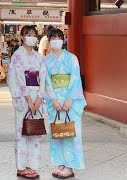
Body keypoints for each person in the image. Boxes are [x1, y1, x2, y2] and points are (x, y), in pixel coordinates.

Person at [44, 28, 87, 179]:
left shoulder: (72, 58)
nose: (56, 40)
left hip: (71, 101)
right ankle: (60, 163)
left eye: (59, 37)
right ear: (49, 40)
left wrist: (69, 100)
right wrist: (53, 100)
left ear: (63, 39)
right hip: (54, 102)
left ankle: (70, 166)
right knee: (57, 133)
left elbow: (75, 79)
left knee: (71, 134)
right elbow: (46, 81)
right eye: (53, 37)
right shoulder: (46, 60)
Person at [7, 25, 47, 179]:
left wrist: (39, 97)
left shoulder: (38, 57)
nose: (31, 37)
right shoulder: (17, 55)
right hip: (24, 98)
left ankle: (32, 165)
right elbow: (16, 77)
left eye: (33, 34)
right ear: (22, 37)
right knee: (22, 132)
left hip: (37, 96)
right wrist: (28, 98)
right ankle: (21, 167)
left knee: (35, 132)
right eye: (28, 34)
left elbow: (42, 76)